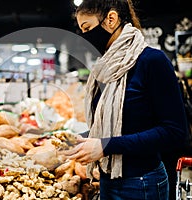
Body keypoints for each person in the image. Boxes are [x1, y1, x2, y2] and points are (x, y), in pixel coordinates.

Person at [59, 0, 189, 199]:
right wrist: (87, 138)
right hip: (108, 181)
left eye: (88, 29)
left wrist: (105, 146)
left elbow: (174, 131)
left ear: (111, 19)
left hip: (142, 183)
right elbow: (121, 126)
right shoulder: (106, 69)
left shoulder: (152, 61)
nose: (85, 38)